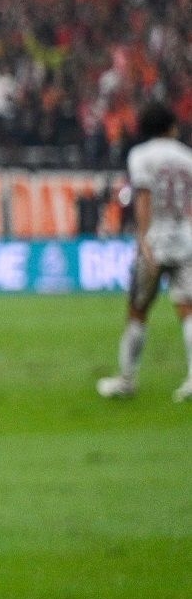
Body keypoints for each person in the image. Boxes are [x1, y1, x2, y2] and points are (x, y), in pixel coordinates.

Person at [98, 100, 192, 402]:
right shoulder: (187, 156)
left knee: (138, 310)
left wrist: (143, 239)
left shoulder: (140, 155)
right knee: (188, 309)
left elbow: (144, 197)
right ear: (170, 126)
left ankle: (126, 379)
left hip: (155, 239)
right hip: (185, 238)